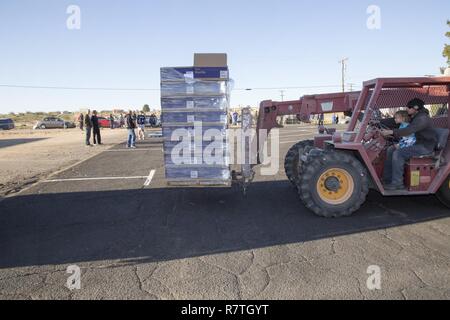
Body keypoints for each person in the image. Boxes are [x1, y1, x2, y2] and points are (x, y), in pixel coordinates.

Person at [381, 98, 437, 190]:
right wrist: (380, 122)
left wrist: (391, 132)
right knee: (391, 149)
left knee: (398, 153)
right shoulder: (416, 116)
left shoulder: (422, 119)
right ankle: (387, 179)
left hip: (425, 146)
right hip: (417, 143)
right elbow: (397, 121)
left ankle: (397, 183)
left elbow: (409, 130)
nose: (406, 109)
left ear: (415, 108)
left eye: (408, 107)